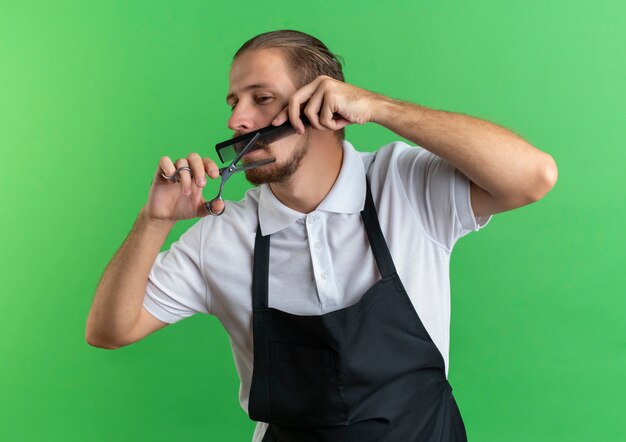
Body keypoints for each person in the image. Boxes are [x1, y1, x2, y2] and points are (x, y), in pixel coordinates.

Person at [86, 29, 558, 441]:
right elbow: (110, 330)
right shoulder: (222, 233)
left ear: (319, 105)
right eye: (234, 103)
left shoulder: (404, 182)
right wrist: (155, 222)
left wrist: (380, 106)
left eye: (261, 98)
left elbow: (534, 176)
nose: (237, 121)